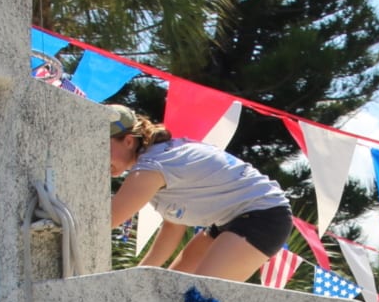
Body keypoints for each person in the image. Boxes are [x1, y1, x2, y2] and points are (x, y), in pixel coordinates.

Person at [105, 105, 293, 283]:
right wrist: (138, 276)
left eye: (102, 147)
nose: (98, 158)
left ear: (129, 141)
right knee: (168, 289)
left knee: (194, 296)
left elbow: (106, 221)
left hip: (263, 216)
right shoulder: (158, 157)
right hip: (233, 217)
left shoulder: (151, 167)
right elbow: (173, 226)